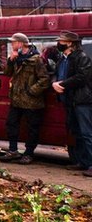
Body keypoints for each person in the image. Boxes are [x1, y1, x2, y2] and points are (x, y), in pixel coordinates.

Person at [0, 32, 50, 164]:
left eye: (13, 42)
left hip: (31, 102)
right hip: (16, 100)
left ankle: (28, 153)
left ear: (21, 44)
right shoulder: (17, 58)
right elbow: (7, 73)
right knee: (11, 124)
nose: (12, 45)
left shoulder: (36, 59)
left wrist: (31, 91)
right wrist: (11, 60)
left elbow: (44, 79)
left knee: (32, 128)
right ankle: (13, 150)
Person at [51, 30, 92, 177]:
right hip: (70, 101)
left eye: (61, 41)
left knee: (87, 133)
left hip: (82, 101)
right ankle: (83, 162)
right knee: (78, 133)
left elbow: (82, 77)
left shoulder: (81, 57)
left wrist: (63, 84)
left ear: (69, 43)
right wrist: (54, 83)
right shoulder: (62, 59)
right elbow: (56, 74)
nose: (58, 44)